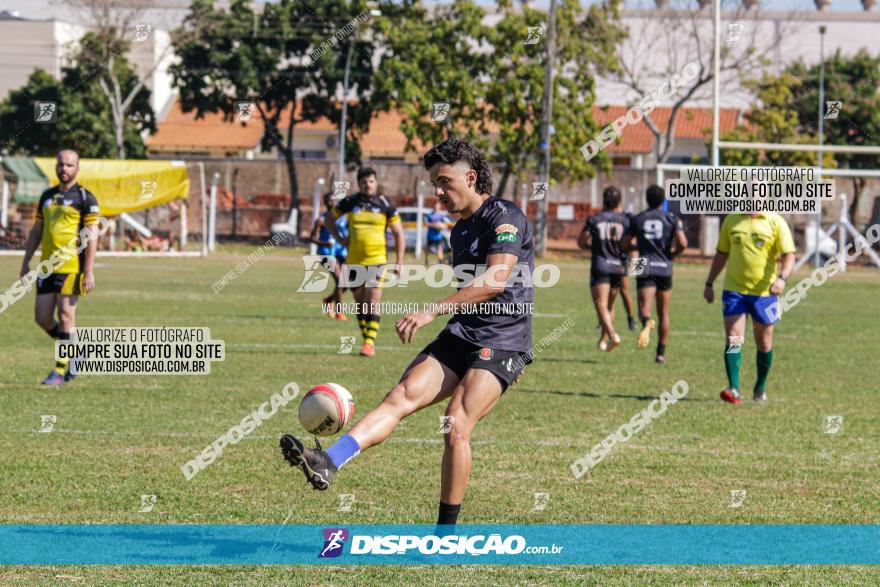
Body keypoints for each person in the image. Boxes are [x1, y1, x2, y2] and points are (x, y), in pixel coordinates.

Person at [280, 138, 533, 528]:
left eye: (444, 181)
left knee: (455, 424)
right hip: (464, 332)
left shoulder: (506, 216)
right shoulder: (459, 231)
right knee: (400, 396)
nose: (437, 192)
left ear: (470, 176)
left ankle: (445, 534)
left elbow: (497, 280)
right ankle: (328, 460)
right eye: (433, 182)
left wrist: (432, 309)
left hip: (504, 339)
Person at [19, 150, 100, 385]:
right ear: (56, 166)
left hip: (72, 266)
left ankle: (59, 371)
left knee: (66, 316)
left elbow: (92, 236)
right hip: (47, 267)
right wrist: (26, 262)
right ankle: (78, 352)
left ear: (77, 168)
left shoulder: (85, 198)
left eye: (69, 165)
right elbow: (37, 231)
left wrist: (89, 270)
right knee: (43, 318)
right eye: (61, 165)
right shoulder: (47, 195)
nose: (64, 169)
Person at [704, 210, 795, 403]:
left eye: (758, 192)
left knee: (764, 343)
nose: (754, 196)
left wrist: (782, 278)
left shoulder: (775, 221)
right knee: (734, 338)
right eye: (750, 191)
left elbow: (789, 255)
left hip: (765, 294)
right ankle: (734, 388)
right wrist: (709, 283)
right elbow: (721, 254)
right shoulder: (732, 220)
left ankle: (760, 388)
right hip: (734, 291)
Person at [325, 167, 405, 357]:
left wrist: (399, 261)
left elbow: (398, 233)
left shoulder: (385, 204)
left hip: (377, 260)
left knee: (373, 300)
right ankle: (366, 340)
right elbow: (329, 220)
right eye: (363, 182)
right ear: (359, 184)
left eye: (370, 181)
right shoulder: (350, 202)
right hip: (354, 261)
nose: (367, 185)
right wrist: (340, 238)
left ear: (376, 183)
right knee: (361, 304)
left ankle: (369, 343)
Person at [625, 185, 688, 364]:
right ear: (663, 201)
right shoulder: (672, 218)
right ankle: (660, 353)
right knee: (664, 313)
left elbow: (624, 244)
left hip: (644, 264)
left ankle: (646, 321)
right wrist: (672, 255)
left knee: (644, 307)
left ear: (647, 199)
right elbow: (683, 243)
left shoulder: (638, 219)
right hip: (665, 265)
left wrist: (637, 247)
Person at [577, 186, 630, 352]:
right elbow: (628, 242)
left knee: (600, 303)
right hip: (619, 267)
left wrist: (591, 247)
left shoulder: (595, 219)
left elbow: (581, 241)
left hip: (601, 265)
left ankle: (613, 335)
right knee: (610, 306)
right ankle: (604, 339)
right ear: (619, 201)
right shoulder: (626, 220)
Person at [310, 192, 349, 321]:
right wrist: (324, 243)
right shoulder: (321, 220)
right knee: (340, 281)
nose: (332, 202)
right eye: (329, 200)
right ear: (325, 203)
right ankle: (339, 313)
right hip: (326, 253)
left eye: (334, 200)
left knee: (348, 282)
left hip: (342, 253)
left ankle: (328, 300)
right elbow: (313, 238)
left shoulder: (344, 217)